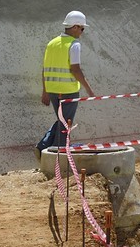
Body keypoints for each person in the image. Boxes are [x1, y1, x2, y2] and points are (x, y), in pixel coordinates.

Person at [38, 10, 96, 153]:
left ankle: (43, 147)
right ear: (75, 27)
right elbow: (75, 70)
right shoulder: (74, 44)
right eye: (82, 28)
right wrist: (89, 90)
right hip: (68, 90)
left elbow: (45, 69)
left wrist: (45, 92)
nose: (82, 32)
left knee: (61, 120)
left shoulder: (52, 43)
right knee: (66, 124)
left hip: (52, 90)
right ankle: (58, 154)